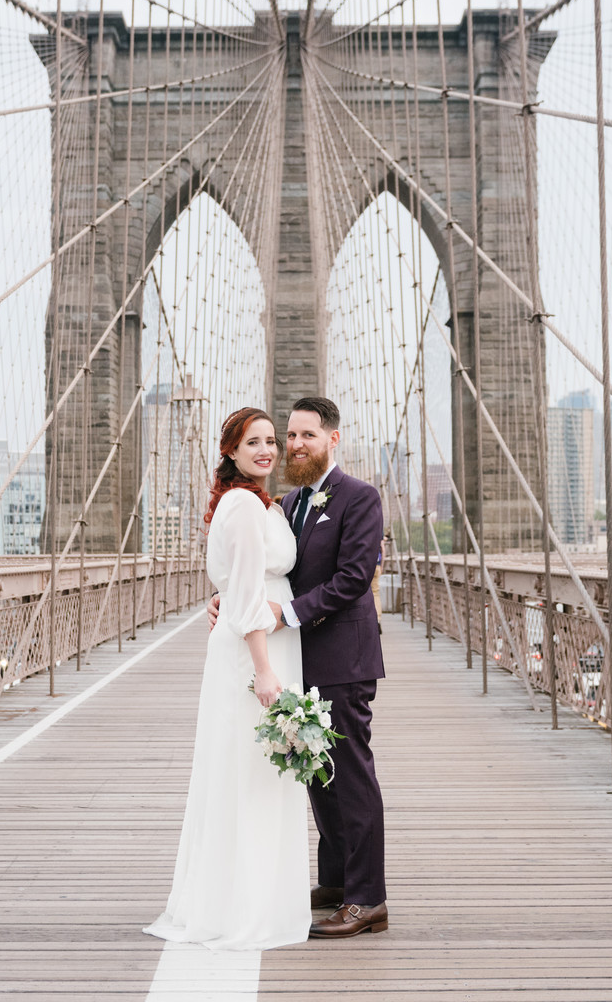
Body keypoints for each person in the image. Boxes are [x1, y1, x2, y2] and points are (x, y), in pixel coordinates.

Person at [208, 396, 388, 939]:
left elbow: (354, 578)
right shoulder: (286, 504)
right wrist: (226, 599)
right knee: (318, 774)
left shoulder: (360, 498)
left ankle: (367, 898)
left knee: (351, 775)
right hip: (300, 659)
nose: (294, 445)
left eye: (306, 435)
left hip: (343, 656)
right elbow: (259, 570)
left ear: (334, 438)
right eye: (289, 436)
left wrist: (284, 612)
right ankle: (335, 880)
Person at [145, 407, 310, 950]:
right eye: (253, 442)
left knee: (256, 775)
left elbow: (237, 583)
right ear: (231, 453)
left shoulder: (259, 503)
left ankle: (247, 897)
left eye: (272, 441)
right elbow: (241, 593)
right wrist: (264, 672)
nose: (267, 450)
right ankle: (246, 907)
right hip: (254, 656)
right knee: (252, 776)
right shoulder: (242, 504)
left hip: (263, 645)